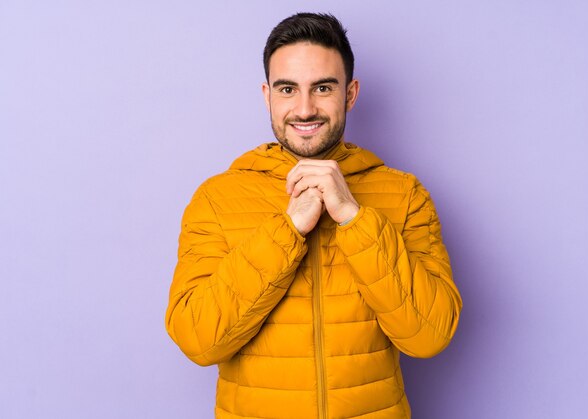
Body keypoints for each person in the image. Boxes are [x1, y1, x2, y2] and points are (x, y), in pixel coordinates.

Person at [165, 12, 462, 419]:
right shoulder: (217, 198)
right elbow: (198, 339)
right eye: (288, 89)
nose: (304, 109)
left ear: (350, 93)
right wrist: (287, 230)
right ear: (267, 95)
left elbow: (429, 335)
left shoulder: (405, 195)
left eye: (323, 87)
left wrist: (355, 219)